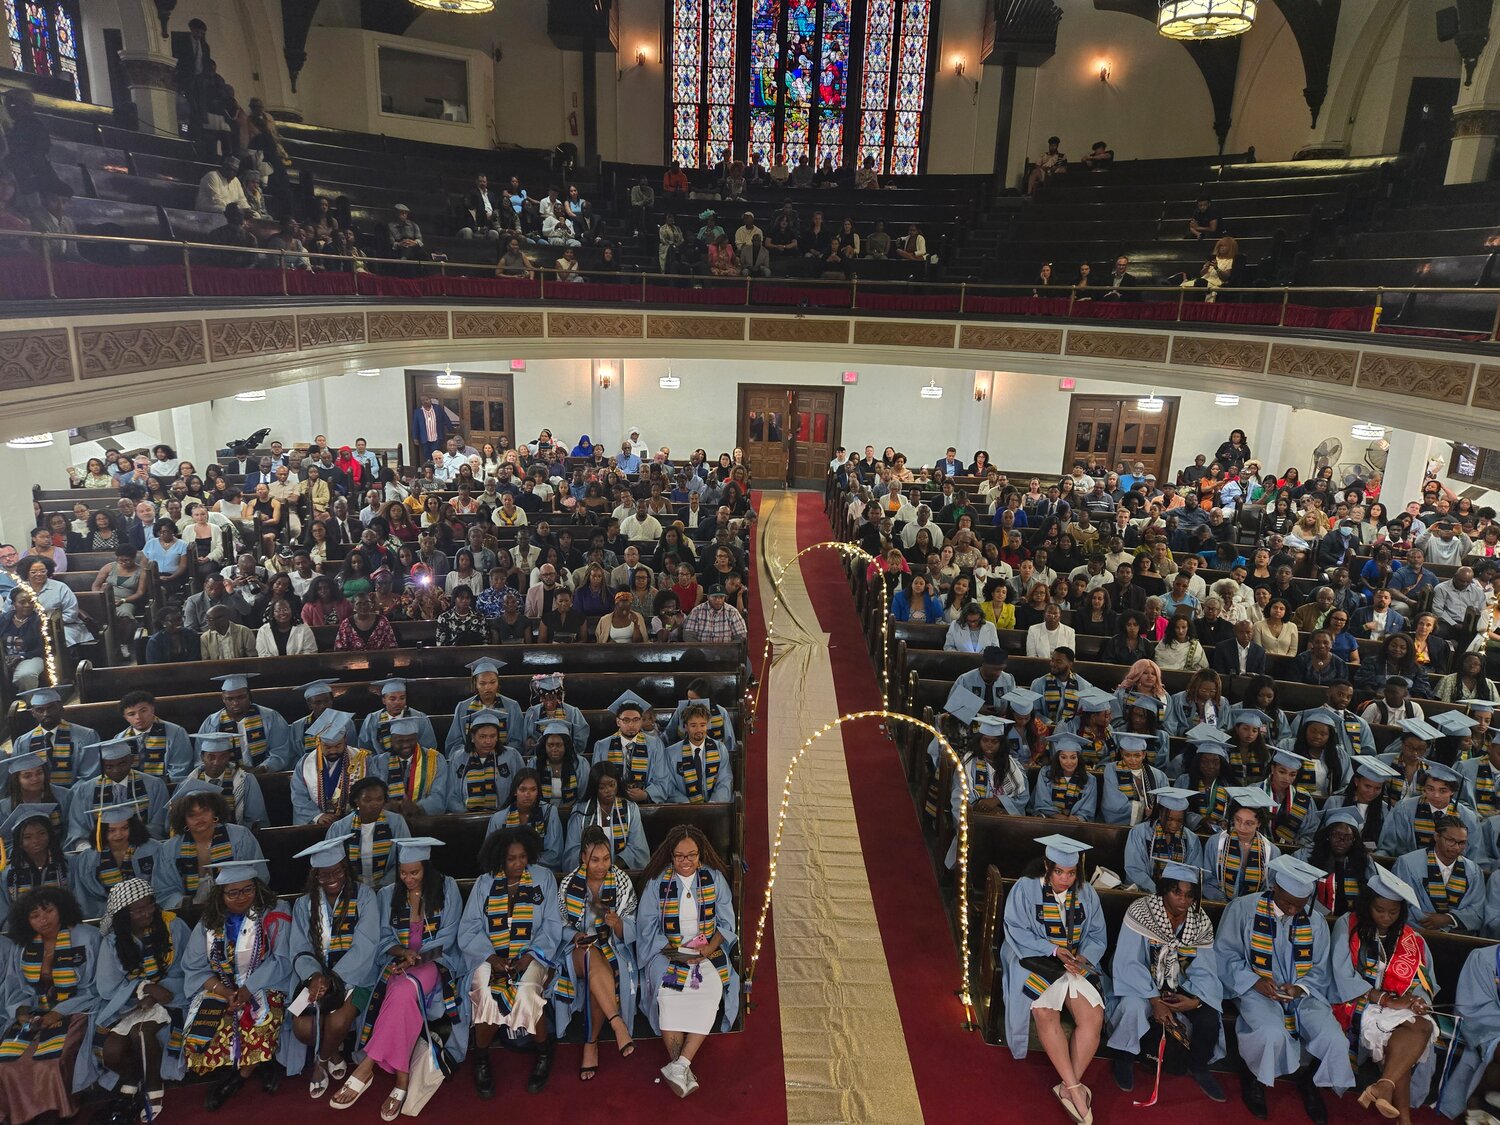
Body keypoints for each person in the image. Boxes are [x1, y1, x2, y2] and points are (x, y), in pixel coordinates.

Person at [329, 837, 466, 1117]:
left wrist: (417, 956)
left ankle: (366, 1067)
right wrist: (401, 952)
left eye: (415, 873)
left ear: (426, 869)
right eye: (403, 873)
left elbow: (449, 934)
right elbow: (383, 938)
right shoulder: (388, 893)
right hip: (398, 963)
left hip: (436, 961)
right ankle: (402, 1077)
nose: (409, 879)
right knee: (401, 992)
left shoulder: (447, 888)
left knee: (403, 989)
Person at [1216, 854, 1354, 1121]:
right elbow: (1225, 955)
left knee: (1333, 1038)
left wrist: (1300, 989)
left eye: (1300, 905)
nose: (1293, 911)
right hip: (1255, 989)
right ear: (1275, 887)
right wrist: (1255, 981)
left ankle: (1310, 1082)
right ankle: (1254, 1078)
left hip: (1302, 995)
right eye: (1288, 903)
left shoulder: (1314, 921)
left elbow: (1320, 967)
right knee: (1270, 1032)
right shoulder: (1243, 909)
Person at [998, 835, 1106, 1124]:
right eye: (1058, 872)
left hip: (1071, 961)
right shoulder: (1026, 888)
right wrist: (1053, 949)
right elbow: (1016, 930)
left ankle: (1067, 1086)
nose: (1065, 879)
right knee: (1045, 1012)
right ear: (1046, 866)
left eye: (1071, 873)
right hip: (1032, 958)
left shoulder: (1087, 893)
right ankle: (1074, 1089)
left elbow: (1096, 935)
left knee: (1094, 1016)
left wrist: (1082, 957)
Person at [635, 825, 740, 1097]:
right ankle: (679, 1065)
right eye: (680, 856)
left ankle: (680, 1064)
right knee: (669, 994)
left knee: (711, 991)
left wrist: (708, 950)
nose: (686, 861)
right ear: (671, 856)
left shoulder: (714, 879)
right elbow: (646, 928)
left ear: (700, 855)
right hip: (668, 952)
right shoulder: (657, 883)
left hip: (707, 951)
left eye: (691, 855)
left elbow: (727, 923)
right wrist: (676, 950)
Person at [1107, 861, 1225, 1101]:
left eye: (1190, 895)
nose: (1183, 900)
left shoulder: (1199, 921)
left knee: (1209, 1016)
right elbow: (1128, 961)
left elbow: (1205, 968)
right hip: (1141, 980)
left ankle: (1199, 1066)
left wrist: (1196, 1000)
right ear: (1163, 890)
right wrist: (1154, 999)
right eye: (1176, 892)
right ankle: (1124, 1057)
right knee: (1133, 1007)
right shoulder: (1141, 912)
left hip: (1180, 982)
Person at [458, 827, 562, 1097]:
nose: (518, 864)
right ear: (499, 860)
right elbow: (469, 928)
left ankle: (543, 1052)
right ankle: (480, 1056)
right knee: (484, 990)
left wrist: (530, 955)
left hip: (532, 954)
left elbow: (551, 924)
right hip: (490, 955)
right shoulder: (484, 884)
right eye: (511, 859)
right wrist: (491, 958)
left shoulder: (543, 879)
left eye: (523, 857)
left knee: (527, 990)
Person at [1330, 866, 1437, 1125]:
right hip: (1358, 998)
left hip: (1396, 1004)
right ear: (1367, 906)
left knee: (1421, 1025)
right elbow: (1342, 974)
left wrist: (1419, 999)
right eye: (1380, 910)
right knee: (1398, 1038)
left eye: (1393, 911)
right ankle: (1405, 1118)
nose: (1386, 917)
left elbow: (1423, 979)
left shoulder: (1411, 938)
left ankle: (1384, 1086)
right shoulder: (1348, 925)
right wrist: (1385, 1000)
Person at [181, 858, 289, 1110]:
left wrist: (248, 989)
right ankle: (260, 1064)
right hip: (223, 987)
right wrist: (224, 992)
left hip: (265, 982)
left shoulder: (273, 911)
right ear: (220, 894)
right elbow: (195, 968)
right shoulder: (209, 922)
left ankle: (237, 1078)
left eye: (247, 890)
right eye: (232, 892)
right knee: (204, 1028)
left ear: (257, 888)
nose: (241, 897)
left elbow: (281, 958)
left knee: (262, 1017)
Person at [281, 835, 382, 1100]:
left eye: (337, 871)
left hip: (356, 976)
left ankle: (320, 1063)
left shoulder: (365, 897)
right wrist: (315, 977)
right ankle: (334, 1052)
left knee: (337, 1021)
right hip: (314, 978)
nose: (332, 878)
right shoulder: (304, 905)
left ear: (345, 869)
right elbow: (299, 947)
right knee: (303, 1027)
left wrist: (333, 979)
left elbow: (366, 944)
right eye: (324, 875)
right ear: (315, 877)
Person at [94, 878, 189, 1124]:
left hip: (173, 996)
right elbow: (107, 987)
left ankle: (154, 1090)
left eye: (149, 905)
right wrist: (143, 988)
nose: (147, 912)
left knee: (142, 1033)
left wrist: (160, 989)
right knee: (111, 1050)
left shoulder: (173, 926)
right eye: (138, 909)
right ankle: (132, 1079)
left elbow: (188, 969)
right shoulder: (114, 940)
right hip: (129, 1004)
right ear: (124, 915)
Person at [1390, 813, 1486, 934]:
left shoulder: (1474, 871)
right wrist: (1428, 922)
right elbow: (1402, 903)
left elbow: (1477, 910)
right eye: (1451, 841)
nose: (1456, 847)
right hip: (1415, 933)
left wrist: (1447, 919)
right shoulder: (1407, 864)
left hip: (1458, 938)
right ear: (1436, 836)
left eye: (1462, 843)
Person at [1123, 787, 1204, 891]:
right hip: (1144, 892)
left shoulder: (1191, 839)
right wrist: (1157, 891)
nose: (1174, 825)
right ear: (1160, 813)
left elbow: (1194, 873)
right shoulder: (1139, 833)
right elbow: (1134, 869)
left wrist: (1175, 893)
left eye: (1179, 821)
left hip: (1177, 896)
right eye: (1169, 819)